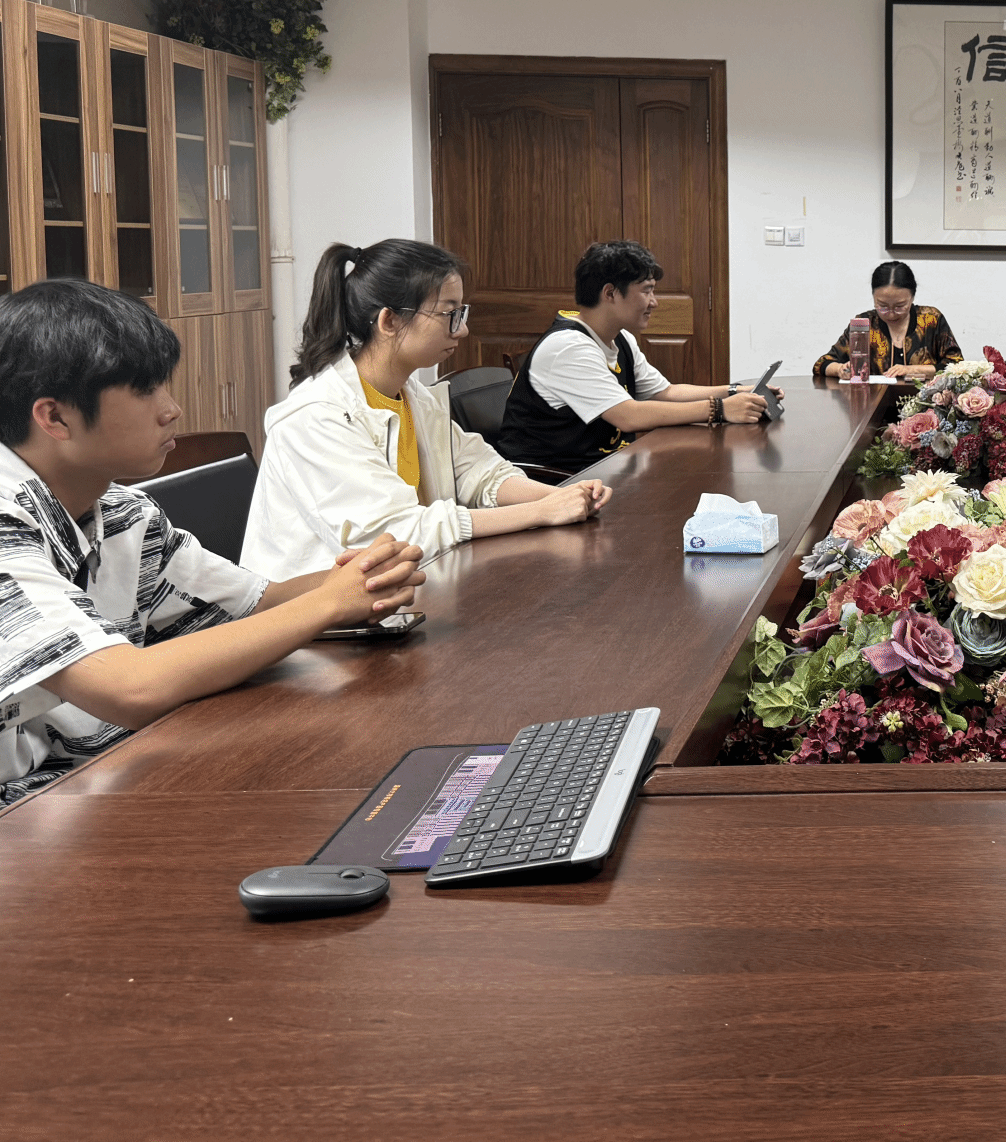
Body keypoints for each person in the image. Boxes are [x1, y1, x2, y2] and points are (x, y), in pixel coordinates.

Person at [0, 280, 424, 805]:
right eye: (145, 390)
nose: (172, 409)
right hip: (24, 810)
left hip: (108, 772)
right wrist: (328, 603)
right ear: (55, 417)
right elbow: (129, 688)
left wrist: (365, 578)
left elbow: (258, 603)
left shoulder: (121, 511)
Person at [243, 239, 612, 580]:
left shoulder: (413, 395)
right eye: (449, 313)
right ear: (389, 321)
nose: (462, 330)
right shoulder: (315, 416)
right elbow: (394, 534)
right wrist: (541, 511)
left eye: (461, 312)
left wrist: (562, 497)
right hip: (318, 616)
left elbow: (479, 472)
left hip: (406, 587)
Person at [498, 240, 772, 474]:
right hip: (557, 481)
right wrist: (720, 409)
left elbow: (665, 393)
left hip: (606, 470)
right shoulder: (568, 348)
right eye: (646, 290)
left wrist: (735, 391)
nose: (654, 302)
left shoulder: (620, 338)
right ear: (610, 293)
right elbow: (629, 416)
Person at [815, 261, 963, 380]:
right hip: (872, 403)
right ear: (873, 297)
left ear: (912, 297)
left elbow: (957, 366)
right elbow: (822, 364)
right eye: (883, 306)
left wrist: (913, 370)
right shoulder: (864, 323)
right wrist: (840, 370)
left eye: (900, 306)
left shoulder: (931, 319)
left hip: (924, 404)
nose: (891, 314)